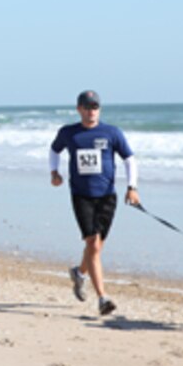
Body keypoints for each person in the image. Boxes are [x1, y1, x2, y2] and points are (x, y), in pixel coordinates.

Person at [49, 90, 140, 316]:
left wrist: (132, 187)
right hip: (81, 196)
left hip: (107, 196)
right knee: (93, 244)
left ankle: (80, 273)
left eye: (95, 107)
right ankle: (102, 298)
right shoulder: (69, 133)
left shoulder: (111, 132)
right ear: (79, 109)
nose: (91, 112)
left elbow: (129, 159)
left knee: (96, 246)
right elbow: (54, 150)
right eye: (87, 107)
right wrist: (54, 172)